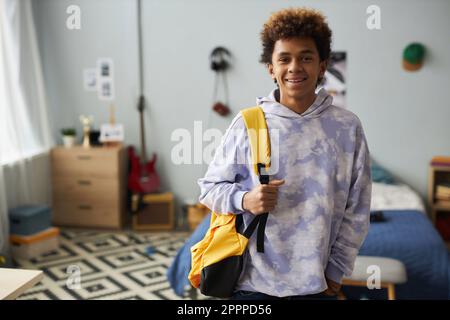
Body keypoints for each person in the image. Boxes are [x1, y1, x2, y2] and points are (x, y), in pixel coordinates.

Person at [198, 7, 371, 300]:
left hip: (317, 285)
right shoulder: (249, 123)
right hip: (253, 284)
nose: (294, 67)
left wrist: (336, 270)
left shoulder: (347, 127)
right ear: (271, 67)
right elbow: (209, 190)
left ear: (322, 65)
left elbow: (357, 209)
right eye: (284, 59)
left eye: (306, 57)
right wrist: (246, 199)